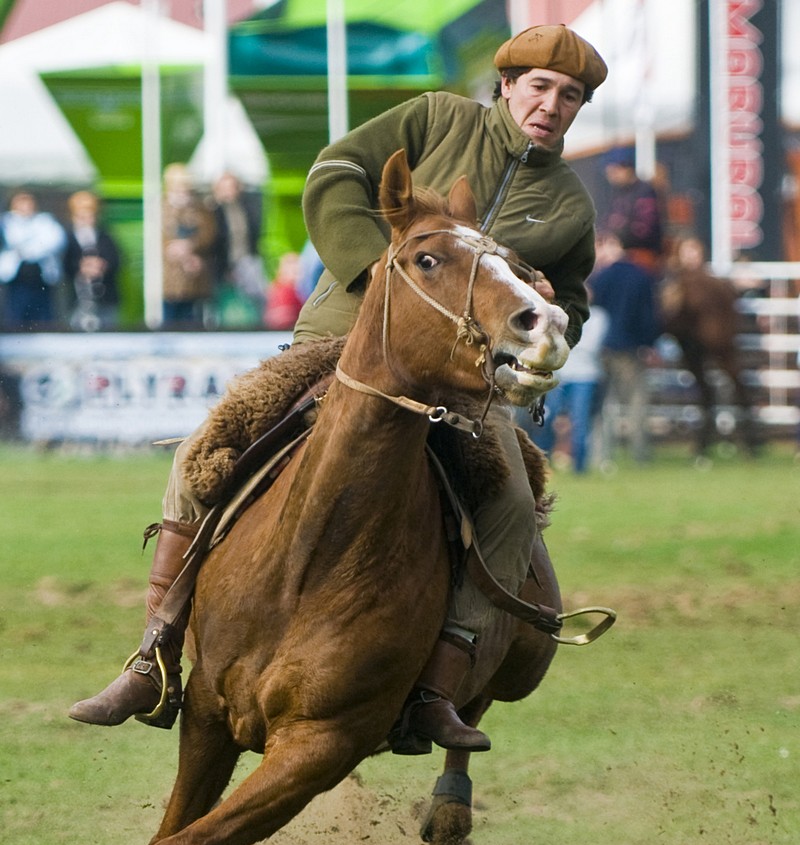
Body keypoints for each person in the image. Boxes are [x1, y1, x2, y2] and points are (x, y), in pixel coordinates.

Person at [68, 23, 608, 754]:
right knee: (206, 450)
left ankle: (436, 691)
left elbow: (570, 304)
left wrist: (550, 303)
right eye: (540, 86)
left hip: (462, 386)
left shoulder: (572, 206)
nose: (552, 104)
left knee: (511, 505)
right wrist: (373, 275)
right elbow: (333, 172)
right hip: (339, 345)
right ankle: (154, 653)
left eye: (570, 95)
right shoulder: (436, 116)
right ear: (506, 85)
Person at [660, 236, 760, 458]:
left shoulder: (692, 284)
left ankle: (735, 439)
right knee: (722, 386)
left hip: (706, 343)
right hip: (700, 343)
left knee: (713, 389)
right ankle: (745, 439)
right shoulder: (684, 283)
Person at [517, 294, 609, 473]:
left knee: (580, 421)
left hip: (585, 376)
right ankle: (542, 460)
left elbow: (590, 346)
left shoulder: (598, 317)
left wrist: (564, 344)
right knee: (547, 417)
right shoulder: (557, 314)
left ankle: (579, 466)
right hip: (561, 374)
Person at [591, 232, 660, 465]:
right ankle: (640, 455)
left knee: (603, 405)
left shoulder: (601, 277)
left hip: (602, 348)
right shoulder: (640, 275)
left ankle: (601, 455)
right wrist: (649, 343)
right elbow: (648, 315)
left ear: (614, 244)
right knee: (637, 404)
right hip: (631, 349)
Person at [161, 163, 217, 329]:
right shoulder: (161, 208)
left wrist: (190, 247)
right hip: (169, 280)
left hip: (195, 278)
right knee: (170, 323)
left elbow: (208, 234)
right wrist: (174, 249)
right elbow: (159, 239)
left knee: (194, 322)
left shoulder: (200, 208)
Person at [0, 190, 66, 330]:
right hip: (16, 280)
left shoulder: (45, 221)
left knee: (44, 318)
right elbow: (11, 240)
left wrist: (27, 250)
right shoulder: (5, 222)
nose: (26, 205)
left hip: (41, 279)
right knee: (16, 318)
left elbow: (55, 241)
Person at [209, 171, 265, 327]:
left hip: (248, 260)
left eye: (231, 187)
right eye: (224, 188)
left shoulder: (246, 207)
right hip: (224, 263)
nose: (228, 191)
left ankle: (258, 326)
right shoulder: (213, 211)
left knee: (256, 297)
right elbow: (215, 241)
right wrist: (226, 267)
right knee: (223, 299)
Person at [63, 191, 122, 331]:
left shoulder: (105, 236)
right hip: (78, 299)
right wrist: (81, 267)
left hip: (104, 298)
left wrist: (101, 266)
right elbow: (65, 265)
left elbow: (116, 260)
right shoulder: (68, 238)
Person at [601, 146, 664, 275]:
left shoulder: (645, 192)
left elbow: (644, 230)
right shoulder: (617, 193)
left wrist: (617, 242)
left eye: (614, 172)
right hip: (617, 255)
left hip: (641, 259)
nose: (611, 177)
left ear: (626, 169)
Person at [264, 251, 305, 330]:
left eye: (297, 272)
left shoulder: (299, 291)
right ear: (282, 271)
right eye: (293, 272)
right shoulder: (281, 290)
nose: (296, 276)